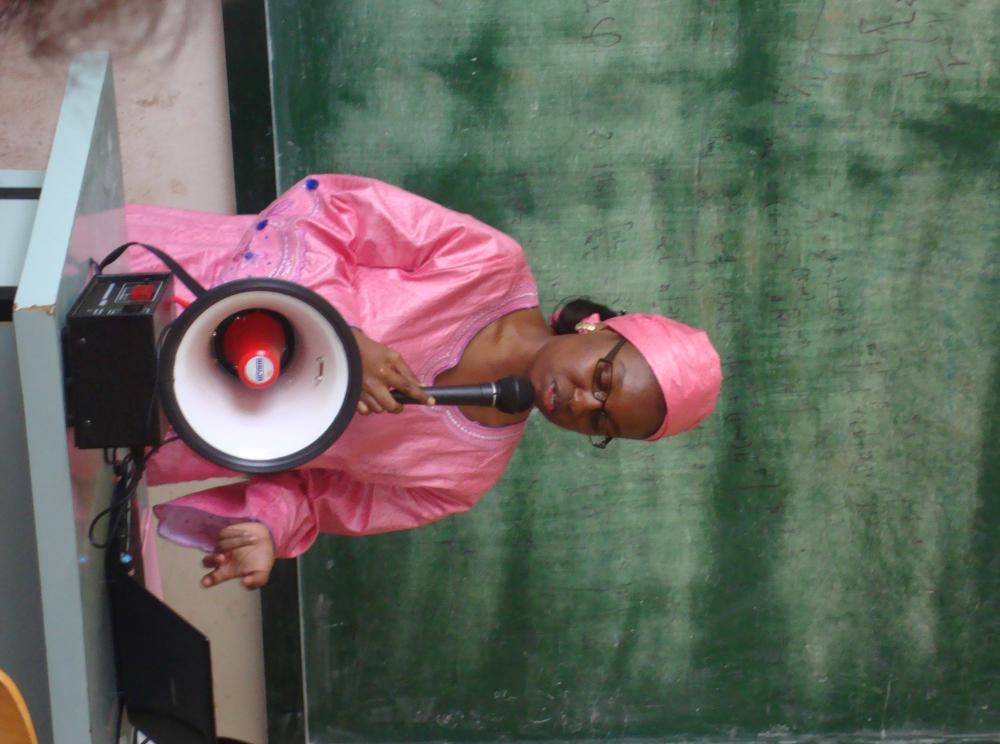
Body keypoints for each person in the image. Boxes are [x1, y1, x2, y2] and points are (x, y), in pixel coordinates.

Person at [125, 174, 722, 589]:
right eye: (603, 377)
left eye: (601, 420)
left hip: (156, 428)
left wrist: (265, 528)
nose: (583, 401)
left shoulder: (461, 480)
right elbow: (329, 207)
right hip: (154, 286)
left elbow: (312, 494)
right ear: (597, 327)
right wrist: (340, 332)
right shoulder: (487, 263)